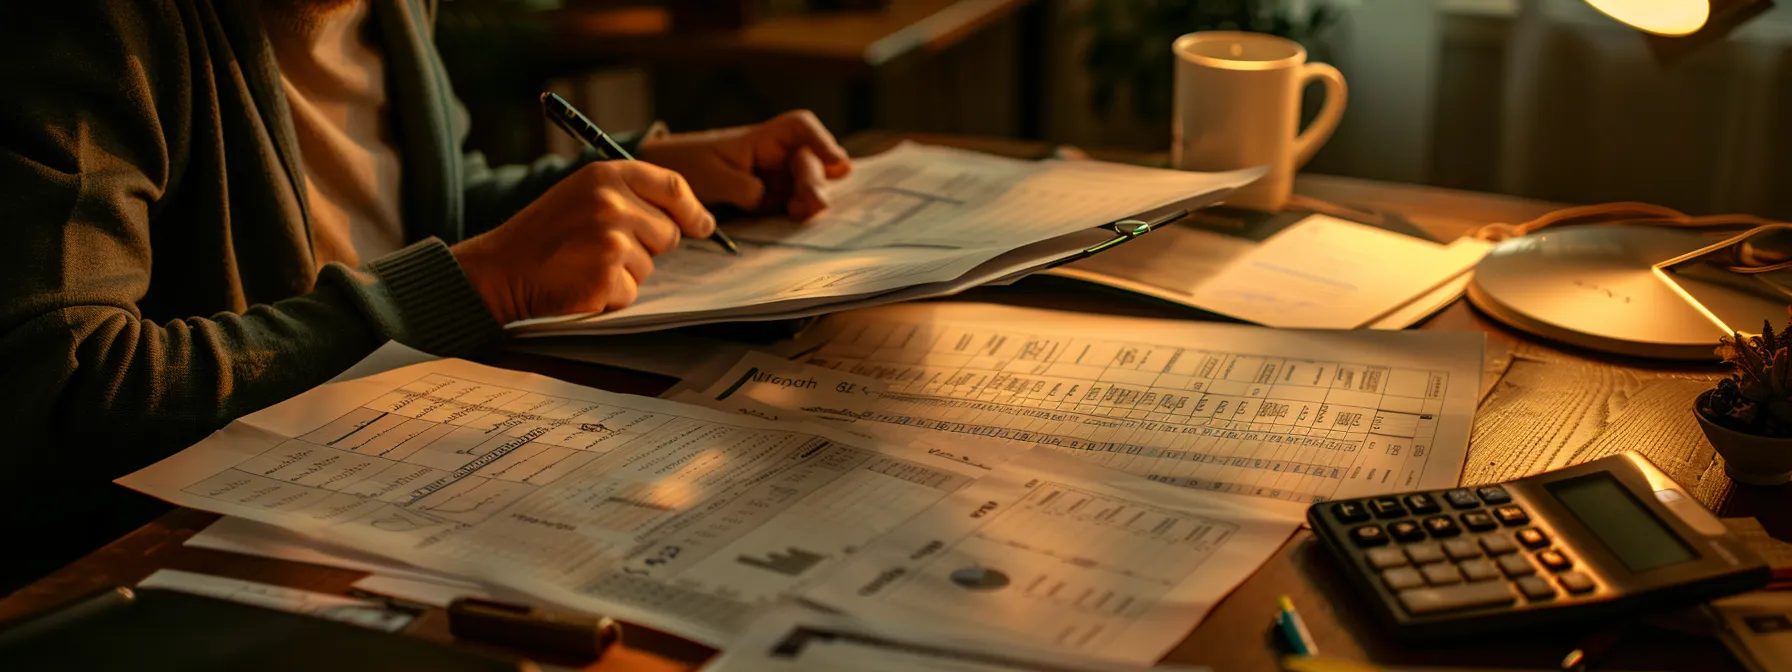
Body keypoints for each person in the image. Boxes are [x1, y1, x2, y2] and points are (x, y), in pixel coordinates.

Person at [0, 0, 852, 592]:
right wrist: (477, 282)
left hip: (396, 474)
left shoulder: (389, 11)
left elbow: (416, 210)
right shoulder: (87, 26)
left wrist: (644, 173)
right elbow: (63, 392)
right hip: (170, 568)